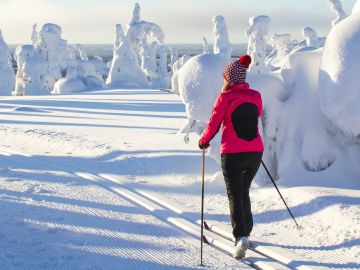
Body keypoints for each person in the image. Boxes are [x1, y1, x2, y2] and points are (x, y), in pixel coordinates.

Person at [198, 55, 264, 259]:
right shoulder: (256, 95)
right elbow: (257, 116)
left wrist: (203, 141)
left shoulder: (225, 97)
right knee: (243, 189)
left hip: (233, 153)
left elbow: (214, 123)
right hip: (255, 151)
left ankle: (241, 236)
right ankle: (247, 230)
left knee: (234, 192)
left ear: (229, 78)